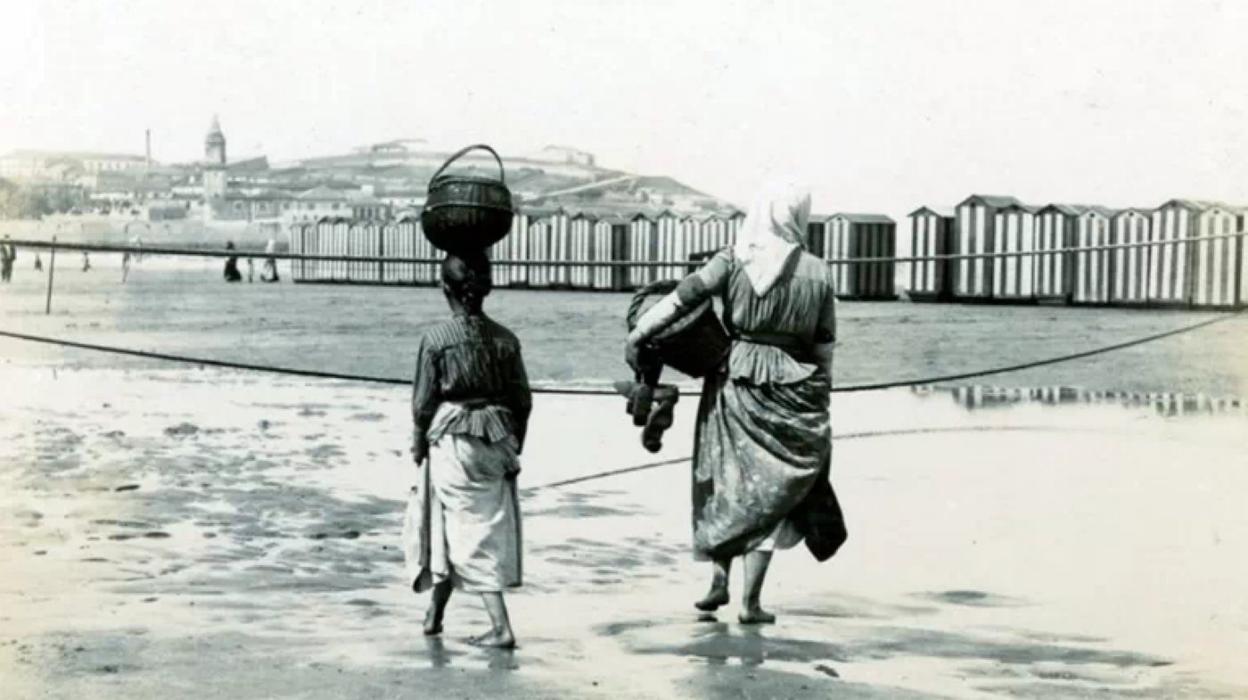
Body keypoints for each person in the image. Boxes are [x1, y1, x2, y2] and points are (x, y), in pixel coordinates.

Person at [625, 181, 846, 624]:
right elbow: (824, 343)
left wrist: (638, 334)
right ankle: (751, 603)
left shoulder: (731, 258)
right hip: (794, 382)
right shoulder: (818, 272)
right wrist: (822, 391)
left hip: (735, 374)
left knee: (726, 479)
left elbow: (679, 300)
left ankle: (718, 579)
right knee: (774, 494)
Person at [403, 251, 532, 649]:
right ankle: (435, 615)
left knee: (465, 528)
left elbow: (423, 404)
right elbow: (522, 401)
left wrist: (418, 444)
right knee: (460, 523)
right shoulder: (506, 339)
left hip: (452, 438)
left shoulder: (436, 339)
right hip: (496, 437)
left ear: (445, 288)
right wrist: (514, 449)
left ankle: (501, 627)